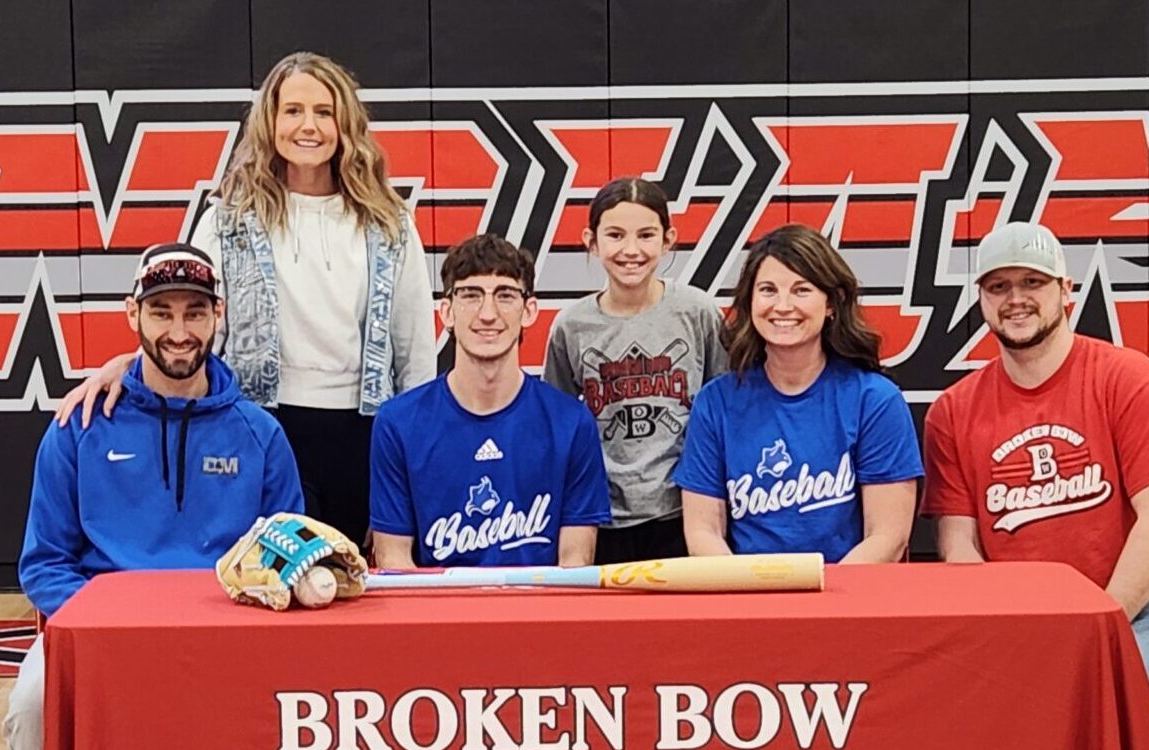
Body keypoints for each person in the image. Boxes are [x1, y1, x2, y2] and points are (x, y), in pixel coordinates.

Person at [54, 51, 435, 544]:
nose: (309, 126)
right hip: (260, 425)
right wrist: (125, 369)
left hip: (365, 433)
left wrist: (413, 447)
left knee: (344, 585)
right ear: (269, 122)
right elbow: (193, 326)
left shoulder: (390, 222)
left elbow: (416, 350)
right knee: (279, 582)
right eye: (293, 110)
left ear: (346, 124)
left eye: (324, 112)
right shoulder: (228, 218)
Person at [4, 244, 303, 750]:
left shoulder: (261, 435)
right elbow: (43, 565)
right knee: (32, 705)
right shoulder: (79, 427)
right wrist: (113, 627)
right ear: (131, 314)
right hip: (99, 636)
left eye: (194, 312)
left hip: (225, 640)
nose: (179, 330)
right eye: (162, 312)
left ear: (218, 317)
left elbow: (282, 555)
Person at [921, 221, 1149, 733]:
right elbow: (958, 546)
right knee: (948, 703)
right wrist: (1011, 625)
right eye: (999, 286)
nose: (1016, 299)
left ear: (1066, 291)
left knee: (1115, 695)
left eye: (1032, 283)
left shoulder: (1131, 381)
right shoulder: (953, 411)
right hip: (1022, 617)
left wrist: (1096, 621)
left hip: (1147, 610)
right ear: (982, 300)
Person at [670, 224, 922, 562]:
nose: (783, 306)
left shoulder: (874, 400)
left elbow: (888, 537)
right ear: (750, 301)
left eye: (801, 290)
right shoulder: (715, 403)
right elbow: (702, 532)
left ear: (832, 303)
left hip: (847, 600)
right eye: (768, 290)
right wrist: (744, 595)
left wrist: (825, 605)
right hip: (749, 599)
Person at [369, 234, 610, 569]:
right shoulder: (398, 422)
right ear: (446, 311)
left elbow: (575, 562)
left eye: (505, 295)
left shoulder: (570, 422)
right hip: (441, 617)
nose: (487, 313)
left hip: (536, 615)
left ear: (529, 310)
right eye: (470, 295)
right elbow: (394, 559)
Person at [543, 177, 727, 562]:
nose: (631, 250)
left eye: (646, 235)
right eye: (615, 235)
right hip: (602, 516)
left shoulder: (698, 312)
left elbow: (725, 410)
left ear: (668, 239)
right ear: (591, 241)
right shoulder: (571, 326)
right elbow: (557, 426)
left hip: (683, 513)